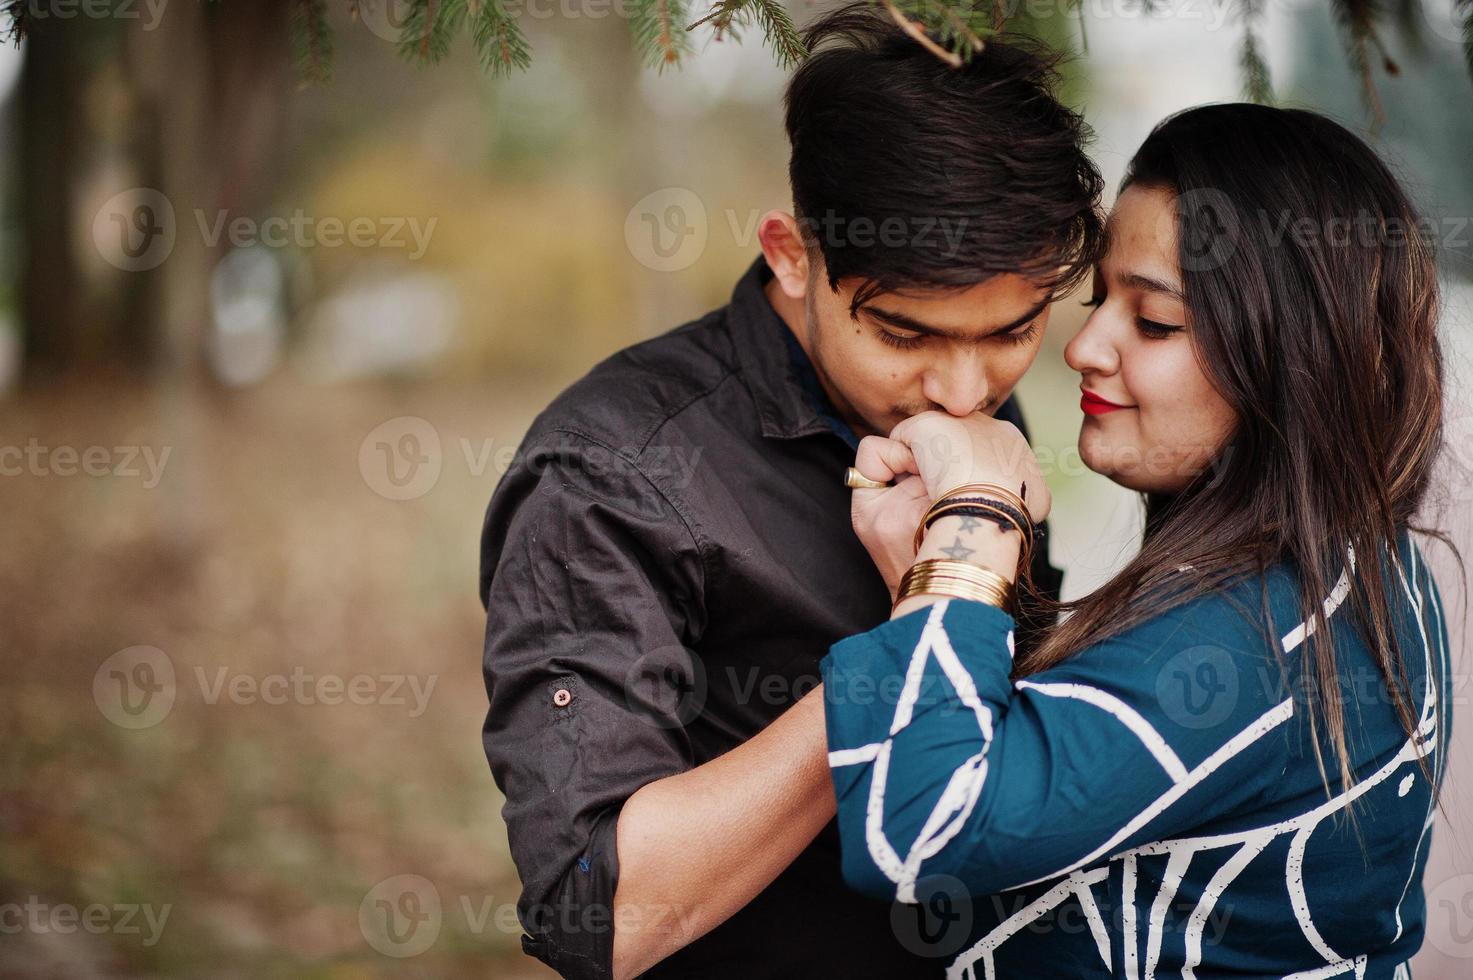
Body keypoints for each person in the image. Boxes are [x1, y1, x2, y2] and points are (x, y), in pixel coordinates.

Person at [476, 5, 1103, 977]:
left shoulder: (971, 407)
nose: (967, 392)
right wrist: (924, 629)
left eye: (1012, 332)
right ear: (791, 253)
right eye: (905, 335)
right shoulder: (607, 472)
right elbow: (600, 908)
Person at [826, 103, 1455, 977]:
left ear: (1289, 355)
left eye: (1153, 322)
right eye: (1096, 301)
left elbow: (920, 834)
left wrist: (972, 523)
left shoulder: (1247, 640)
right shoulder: (1359, 558)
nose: (1083, 347)